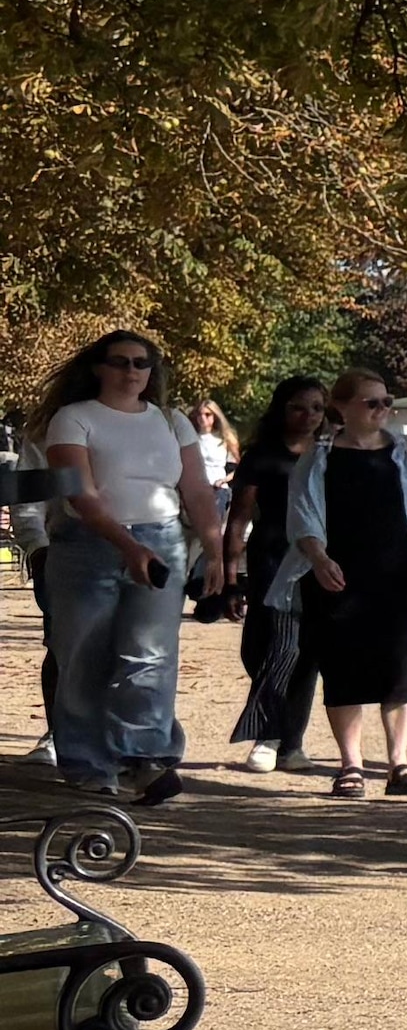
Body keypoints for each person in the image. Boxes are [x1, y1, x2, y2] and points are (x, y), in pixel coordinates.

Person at [33, 332, 213, 803]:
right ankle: (90, 763)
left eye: (141, 363)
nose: (131, 372)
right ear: (99, 367)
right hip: (87, 544)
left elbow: (196, 491)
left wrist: (217, 548)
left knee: (150, 654)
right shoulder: (73, 419)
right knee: (83, 654)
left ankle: (144, 758)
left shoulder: (173, 422)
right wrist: (129, 548)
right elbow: (82, 497)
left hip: (163, 537)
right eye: (120, 362)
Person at [287, 372, 407, 796]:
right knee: (342, 669)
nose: (382, 410)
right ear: (343, 407)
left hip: (403, 577)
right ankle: (351, 765)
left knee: (402, 667)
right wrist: (318, 557)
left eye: (387, 401)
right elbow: (302, 515)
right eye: (371, 403)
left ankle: (399, 764)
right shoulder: (320, 457)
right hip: (336, 577)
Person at [221, 376, 334, 772]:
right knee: (262, 649)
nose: (308, 416)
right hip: (271, 557)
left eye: (317, 408)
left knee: (305, 653)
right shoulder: (262, 456)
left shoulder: (330, 455)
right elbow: (237, 520)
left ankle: (284, 741)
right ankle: (275, 732)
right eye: (298, 407)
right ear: (281, 409)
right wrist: (230, 579)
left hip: (319, 559)